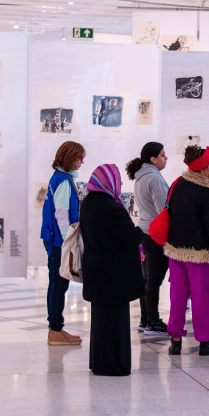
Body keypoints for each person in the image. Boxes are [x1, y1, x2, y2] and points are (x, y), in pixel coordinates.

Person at [79, 164, 145, 376]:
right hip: (113, 276)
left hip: (98, 272)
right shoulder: (110, 207)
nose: (121, 183)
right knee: (115, 324)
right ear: (109, 181)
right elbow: (129, 237)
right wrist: (141, 231)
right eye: (118, 179)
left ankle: (99, 363)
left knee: (101, 323)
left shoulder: (89, 202)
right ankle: (114, 365)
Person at [165, 145, 209, 356]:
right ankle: (206, 341)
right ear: (202, 169)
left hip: (176, 251)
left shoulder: (177, 184)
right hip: (200, 255)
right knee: (202, 297)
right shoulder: (207, 193)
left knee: (178, 295)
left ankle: (175, 339)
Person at [40, 141, 86, 346]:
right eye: (78, 158)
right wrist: (70, 241)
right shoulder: (64, 180)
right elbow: (61, 214)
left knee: (56, 284)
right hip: (60, 242)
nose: (81, 162)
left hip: (53, 238)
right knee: (59, 285)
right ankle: (55, 329)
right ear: (69, 158)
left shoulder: (57, 178)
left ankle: (56, 327)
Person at [125, 142, 170, 336]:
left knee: (147, 279)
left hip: (144, 231)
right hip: (156, 234)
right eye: (162, 155)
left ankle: (145, 319)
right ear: (153, 159)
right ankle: (153, 321)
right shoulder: (154, 178)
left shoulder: (141, 177)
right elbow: (163, 211)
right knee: (154, 280)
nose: (165, 158)